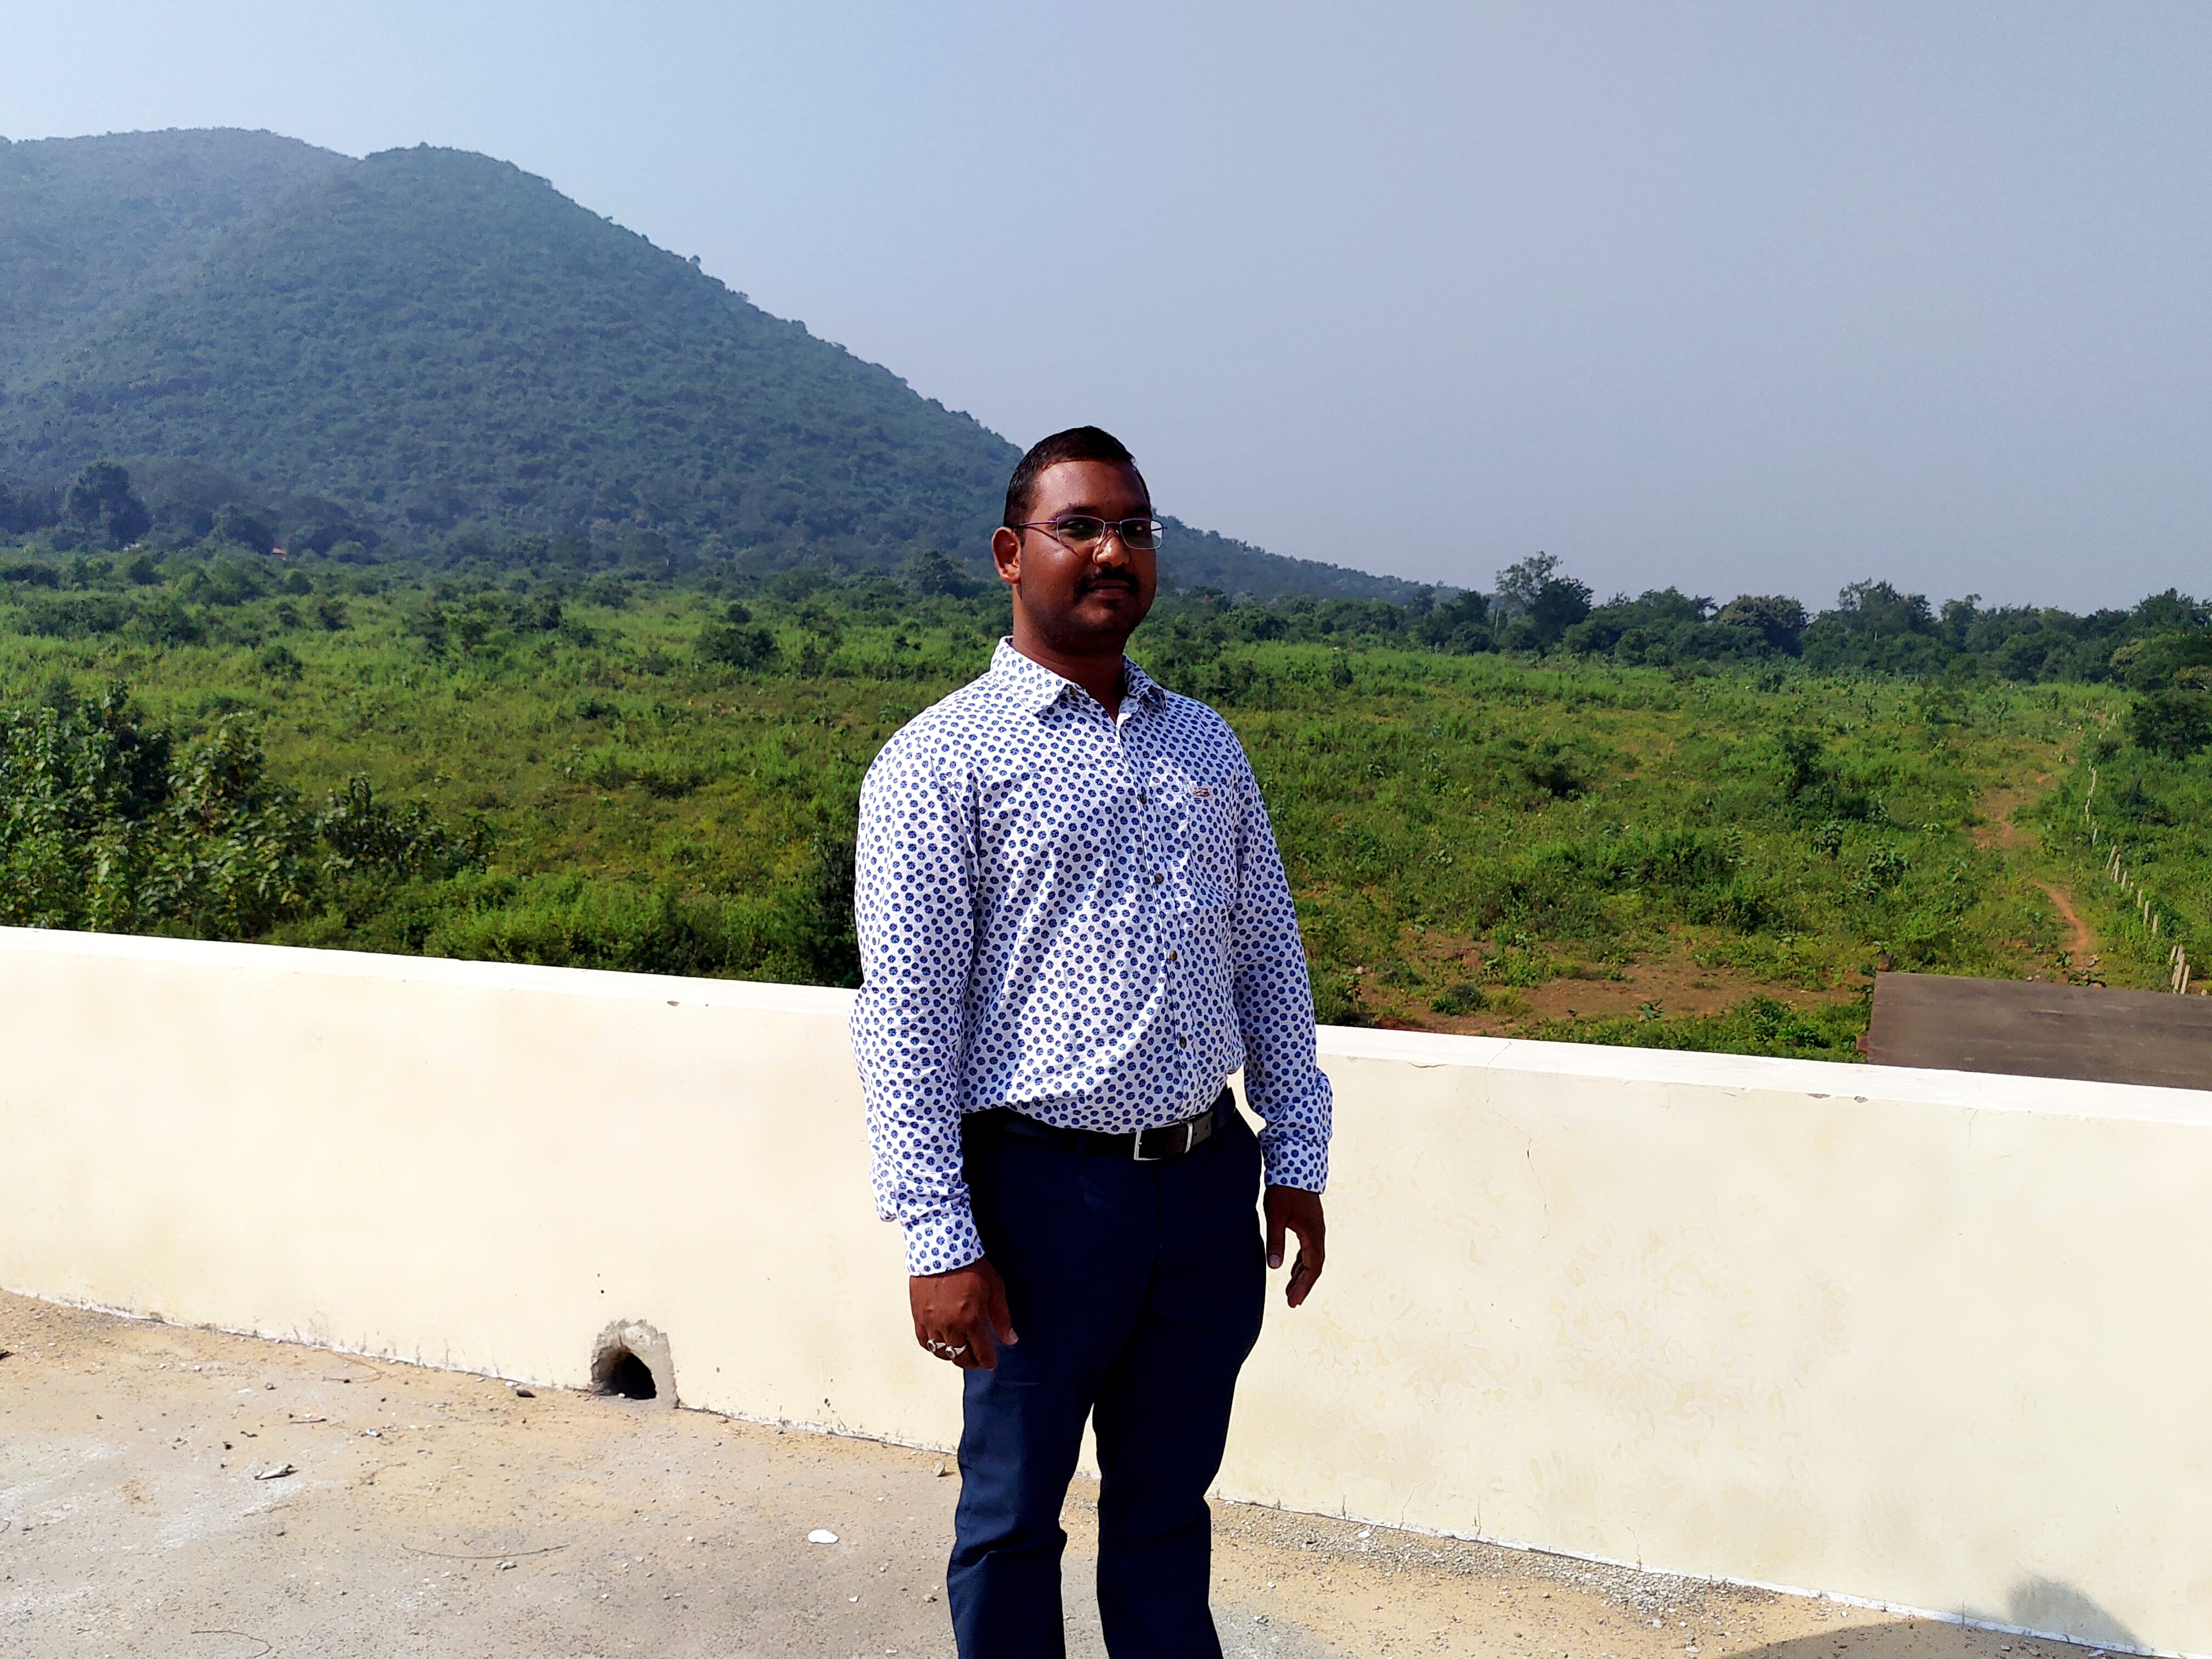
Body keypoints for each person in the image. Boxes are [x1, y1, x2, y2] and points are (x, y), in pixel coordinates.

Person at [850, 426, 1333, 1658]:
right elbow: (905, 1021)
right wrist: (939, 1238)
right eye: (1080, 527)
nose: (1113, 551)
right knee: (1014, 1519)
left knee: (1167, 1510)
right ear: (1011, 554)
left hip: (1205, 1191)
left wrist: (1296, 1156)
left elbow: (1269, 960)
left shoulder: (1204, 744)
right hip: (1038, 1202)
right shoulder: (938, 763)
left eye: (1134, 528)